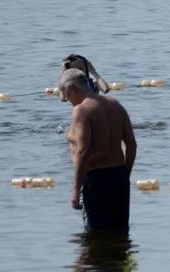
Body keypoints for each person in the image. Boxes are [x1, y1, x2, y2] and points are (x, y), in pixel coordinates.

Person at [58, 68, 137, 232]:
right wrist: (125, 175)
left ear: (72, 88)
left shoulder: (81, 110)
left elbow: (83, 151)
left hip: (96, 179)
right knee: (120, 232)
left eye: (66, 94)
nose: (66, 100)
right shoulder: (115, 105)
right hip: (120, 176)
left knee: (95, 236)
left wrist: (75, 191)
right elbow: (131, 145)